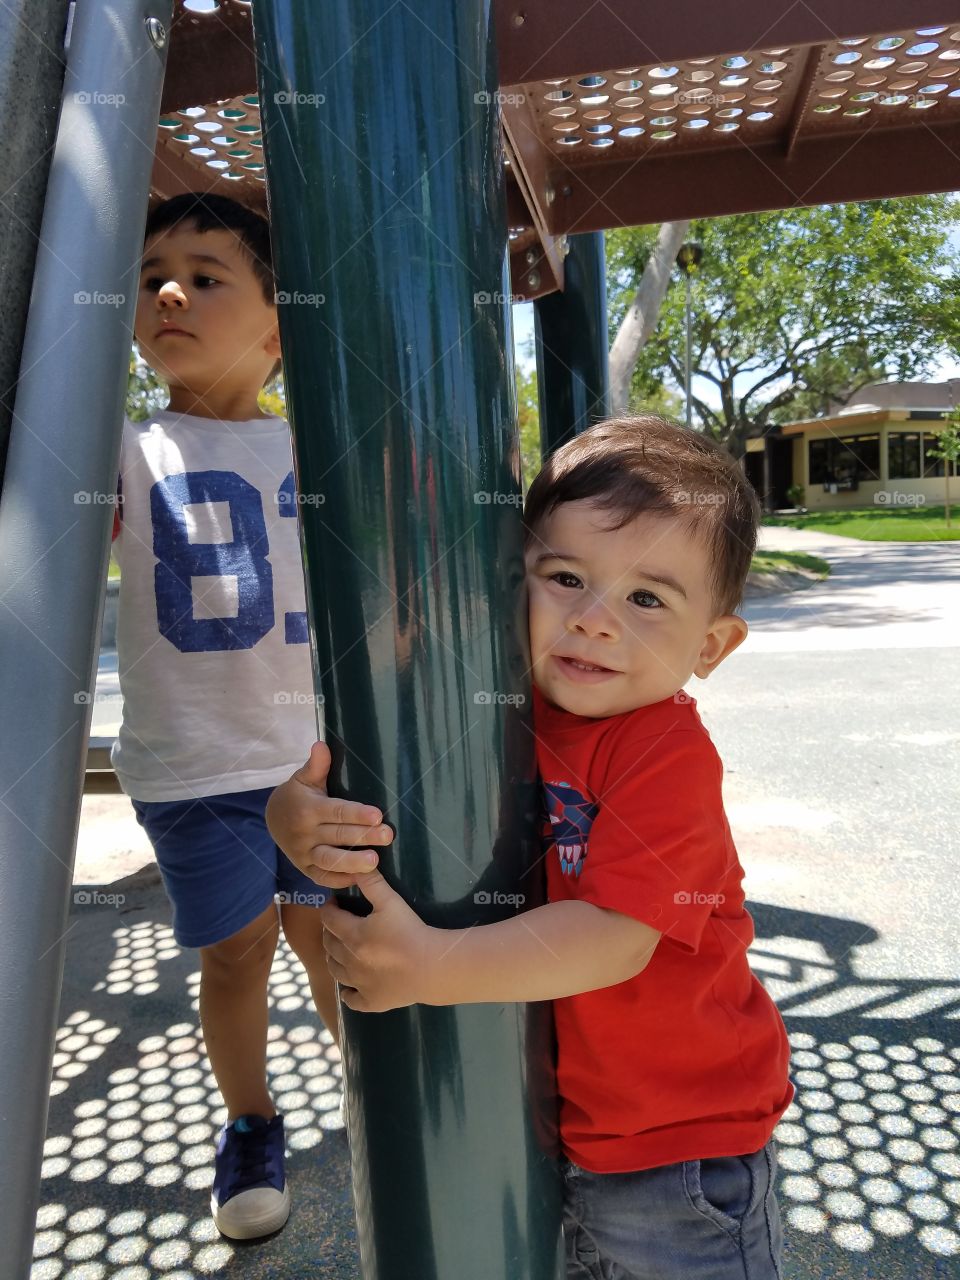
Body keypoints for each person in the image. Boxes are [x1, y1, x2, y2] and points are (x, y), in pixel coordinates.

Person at [268, 415, 794, 1278]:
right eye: (565, 577)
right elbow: (340, 799)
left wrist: (434, 965)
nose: (593, 620)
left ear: (711, 645)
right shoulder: (488, 707)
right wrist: (294, 817)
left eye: (646, 598)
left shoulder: (664, 753)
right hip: (555, 1134)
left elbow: (617, 938)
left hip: (679, 1151)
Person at [113, 192, 391, 1240]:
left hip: (309, 760)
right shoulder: (128, 450)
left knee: (328, 935)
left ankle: (373, 1098)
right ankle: (250, 1119)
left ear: (277, 329)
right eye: (149, 277)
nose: (169, 291)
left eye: (204, 273)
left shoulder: (320, 453)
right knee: (233, 951)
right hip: (191, 767)